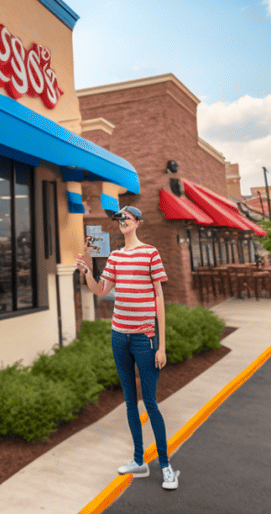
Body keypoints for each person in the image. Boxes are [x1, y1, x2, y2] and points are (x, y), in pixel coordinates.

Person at [77, 205, 179, 490]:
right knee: (129, 401)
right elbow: (100, 290)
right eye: (119, 219)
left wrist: (161, 345)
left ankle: (166, 465)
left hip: (145, 338)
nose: (122, 222)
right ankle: (138, 460)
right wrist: (86, 270)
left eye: (127, 218)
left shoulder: (150, 253)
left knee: (150, 401)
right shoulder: (115, 257)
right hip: (118, 336)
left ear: (138, 223)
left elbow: (159, 296)